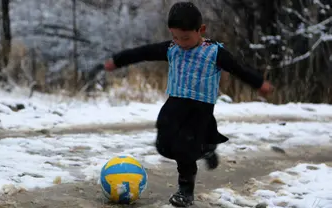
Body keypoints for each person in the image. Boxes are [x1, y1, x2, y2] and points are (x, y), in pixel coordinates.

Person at [103, 1, 273, 207]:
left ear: (200, 30)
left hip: (200, 109)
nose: (180, 42)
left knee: (184, 148)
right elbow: (143, 52)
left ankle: (185, 191)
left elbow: (239, 69)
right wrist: (118, 60)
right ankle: (206, 147)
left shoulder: (214, 52)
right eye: (175, 37)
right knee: (164, 144)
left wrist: (258, 83)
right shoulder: (172, 48)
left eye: (185, 37)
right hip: (175, 103)